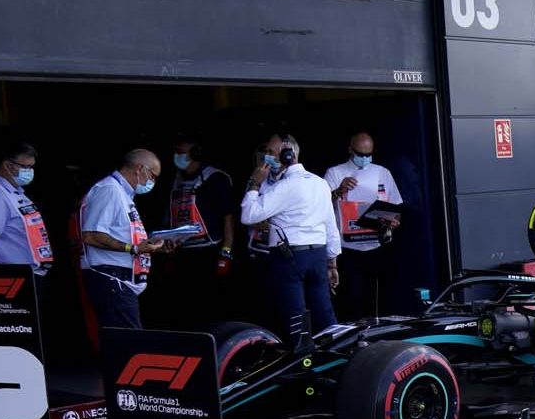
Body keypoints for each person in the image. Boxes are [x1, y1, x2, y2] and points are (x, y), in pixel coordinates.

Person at [241, 133, 341, 340]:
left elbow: (248, 215)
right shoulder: (320, 183)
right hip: (318, 255)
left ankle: (302, 359)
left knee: (295, 316)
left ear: (288, 154)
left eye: (271, 152)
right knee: (324, 313)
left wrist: (254, 183)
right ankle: (336, 355)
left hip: (290, 257)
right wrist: (332, 263)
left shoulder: (284, 186)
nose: (267, 157)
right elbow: (330, 225)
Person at [79, 150, 172, 342]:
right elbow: (91, 235)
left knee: (122, 343)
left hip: (122, 280)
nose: (152, 182)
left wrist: (154, 246)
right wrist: (134, 249)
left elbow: (121, 234)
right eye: (153, 176)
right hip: (111, 278)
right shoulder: (110, 190)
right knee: (130, 343)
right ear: (140, 169)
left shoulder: (123, 194)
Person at [152, 136, 237, 325]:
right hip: (181, 253)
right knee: (184, 308)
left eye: (182, 152)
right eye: (176, 152)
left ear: (195, 153)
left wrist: (226, 252)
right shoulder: (173, 181)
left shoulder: (215, 178)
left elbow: (228, 216)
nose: (178, 156)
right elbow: (168, 217)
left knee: (210, 306)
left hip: (209, 252)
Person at [325, 131, 406, 322]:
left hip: (376, 244)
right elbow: (319, 206)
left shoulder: (382, 172)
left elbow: (395, 205)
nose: (364, 159)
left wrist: (394, 222)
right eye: (360, 154)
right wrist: (339, 191)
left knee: (379, 300)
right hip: (348, 247)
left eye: (368, 154)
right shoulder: (335, 173)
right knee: (351, 300)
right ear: (350, 150)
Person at [0, 142, 54, 287]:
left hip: (31, 275)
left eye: (31, 167)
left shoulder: (15, 192)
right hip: (11, 278)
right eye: (25, 167)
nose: (30, 171)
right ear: (8, 165)